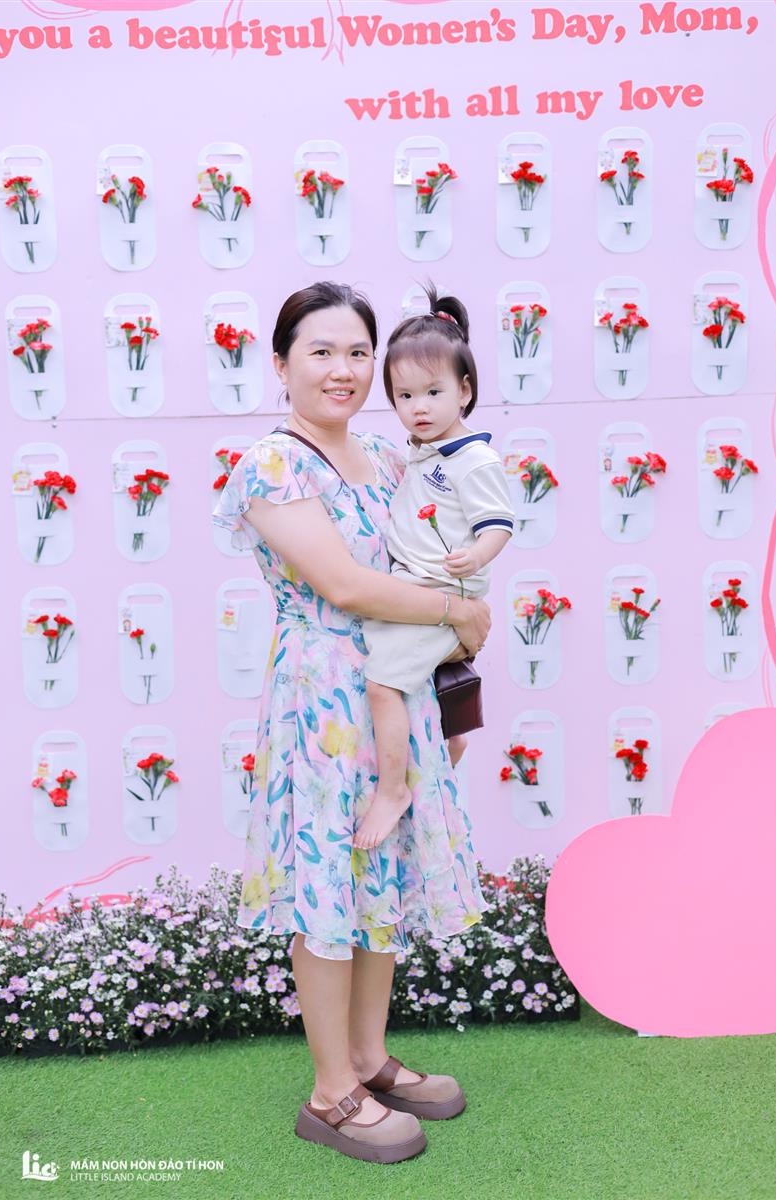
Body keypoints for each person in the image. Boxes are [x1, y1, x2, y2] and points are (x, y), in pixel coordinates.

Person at [212, 282, 490, 1164]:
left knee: (381, 874)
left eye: (358, 353)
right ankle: (330, 1091)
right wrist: (455, 612)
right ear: (280, 363)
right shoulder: (272, 465)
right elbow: (344, 585)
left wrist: (448, 658)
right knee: (329, 880)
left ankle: (368, 1059)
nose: (343, 370)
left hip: (395, 687)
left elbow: (433, 546)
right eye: (321, 352)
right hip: (325, 697)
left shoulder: (381, 450)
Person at [352, 285, 514, 851]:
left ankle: (393, 789)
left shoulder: (474, 459)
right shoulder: (424, 451)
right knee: (410, 679)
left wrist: (478, 554)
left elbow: (499, 522)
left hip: (439, 592)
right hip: (416, 590)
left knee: (382, 684)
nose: (418, 407)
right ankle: (453, 739)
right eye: (404, 395)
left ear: (464, 391)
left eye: (433, 392)